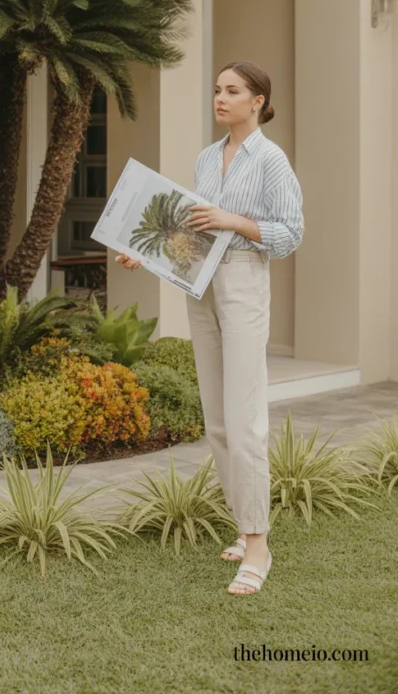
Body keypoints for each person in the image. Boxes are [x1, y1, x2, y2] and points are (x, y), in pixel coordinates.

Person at [116, 61, 304, 596]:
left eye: (233, 91)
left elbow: (290, 234)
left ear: (259, 101)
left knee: (246, 421)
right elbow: (189, 229)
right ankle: (243, 530)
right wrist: (146, 251)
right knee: (218, 419)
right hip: (198, 285)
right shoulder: (206, 157)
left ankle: (259, 545)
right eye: (217, 90)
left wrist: (232, 221)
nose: (220, 98)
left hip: (244, 282)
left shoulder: (271, 160)